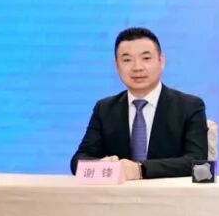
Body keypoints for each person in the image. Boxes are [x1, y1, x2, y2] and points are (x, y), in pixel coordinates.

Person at [70, 27, 208, 180]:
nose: (137, 67)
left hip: (170, 194)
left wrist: (140, 169)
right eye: (127, 60)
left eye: (146, 58)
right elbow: (78, 161)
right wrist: (102, 165)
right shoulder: (104, 109)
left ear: (161, 61)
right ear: (116, 66)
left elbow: (199, 163)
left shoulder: (190, 106)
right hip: (119, 194)